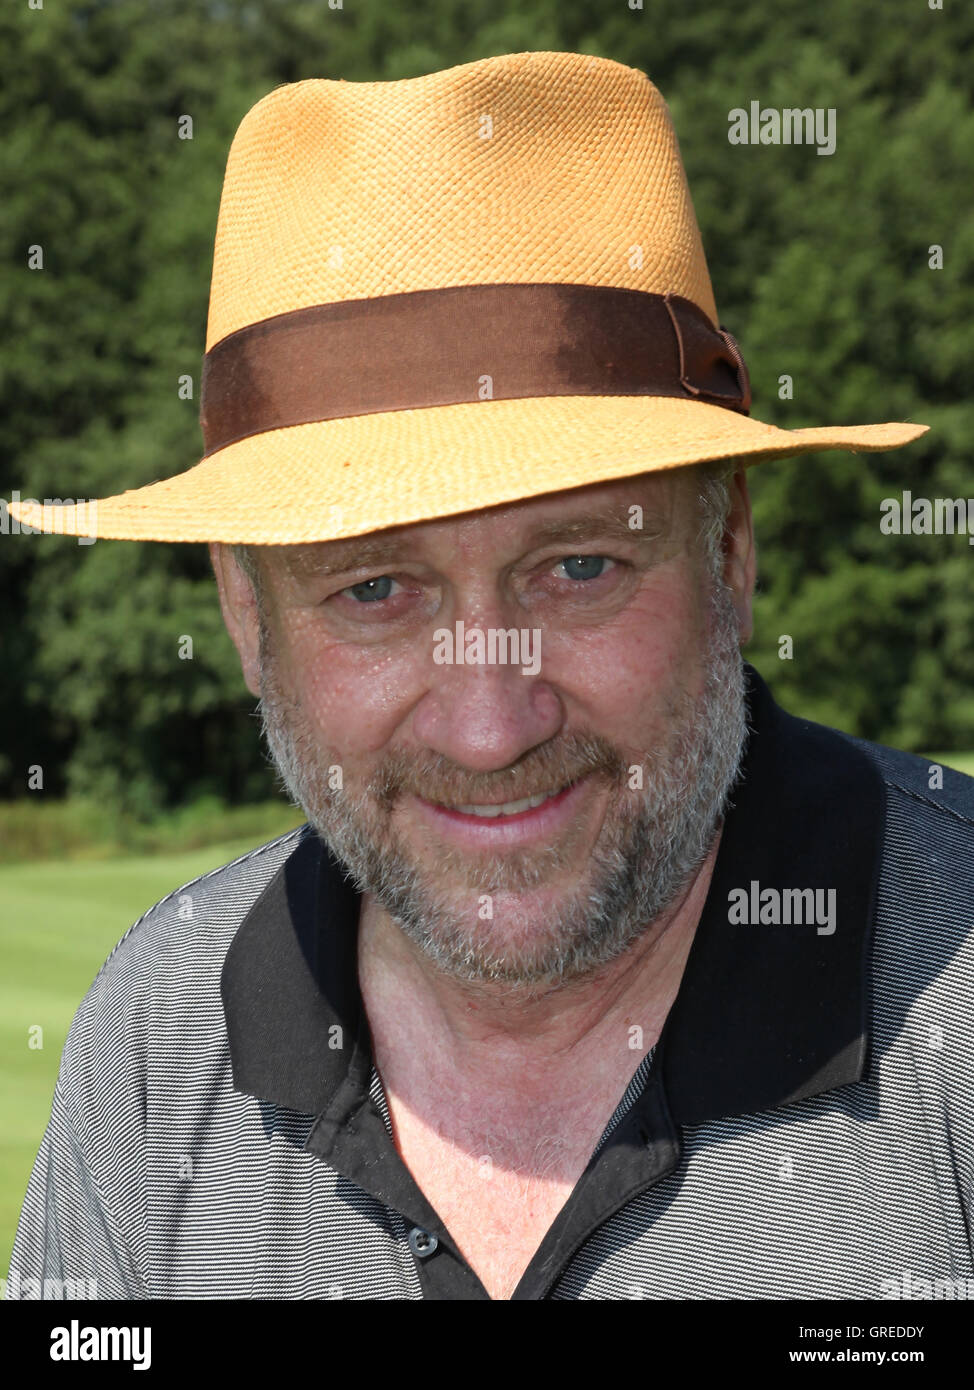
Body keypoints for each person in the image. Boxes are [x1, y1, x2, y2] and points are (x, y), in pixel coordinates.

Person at [8, 50, 971, 1304]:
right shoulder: (154, 1037)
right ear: (244, 614)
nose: (485, 725)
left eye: (576, 567)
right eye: (373, 589)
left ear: (728, 549)